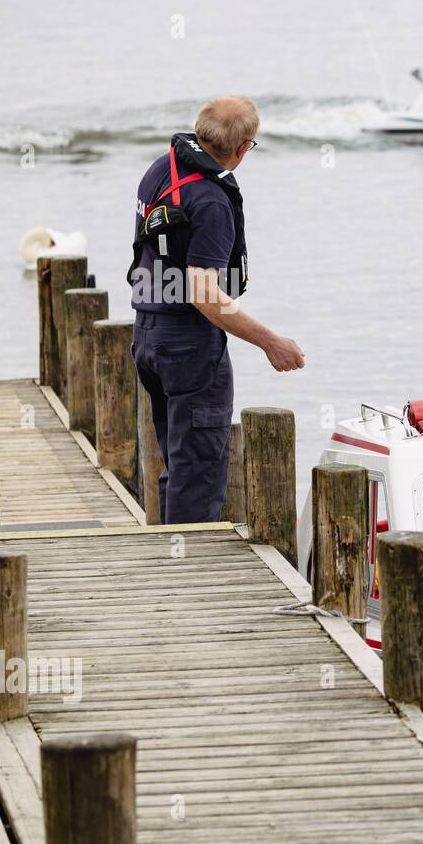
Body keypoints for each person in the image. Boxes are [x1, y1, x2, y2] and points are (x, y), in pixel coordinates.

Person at [128, 96, 304, 524]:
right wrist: (270, 342)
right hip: (188, 345)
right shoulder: (211, 202)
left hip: (148, 334)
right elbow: (205, 295)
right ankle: (190, 576)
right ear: (244, 147)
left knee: (178, 461)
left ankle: (170, 556)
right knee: (199, 471)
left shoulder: (162, 167)